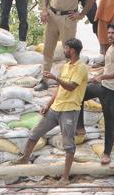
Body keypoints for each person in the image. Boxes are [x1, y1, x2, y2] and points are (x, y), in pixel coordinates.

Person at [16, 38, 88, 183]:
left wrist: (55, 78)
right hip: (56, 109)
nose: (64, 51)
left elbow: (71, 87)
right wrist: (48, 105)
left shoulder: (81, 68)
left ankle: (65, 177)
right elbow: (60, 89)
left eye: (66, 48)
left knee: (68, 145)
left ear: (72, 50)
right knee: (34, 134)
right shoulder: (66, 65)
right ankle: (24, 159)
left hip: (69, 110)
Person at [38, 0, 96, 90]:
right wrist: (44, 9)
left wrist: (81, 14)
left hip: (68, 18)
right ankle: (44, 80)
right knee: (47, 50)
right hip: (52, 16)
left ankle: (67, 80)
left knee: (69, 51)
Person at [84, 23, 114, 165]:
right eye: (109, 33)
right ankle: (79, 127)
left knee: (110, 121)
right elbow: (109, 68)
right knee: (79, 94)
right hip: (103, 87)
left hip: (113, 91)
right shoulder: (110, 48)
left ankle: (106, 153)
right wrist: (96, 76)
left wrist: (102, 77)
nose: (110, 35)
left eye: (113, 33)